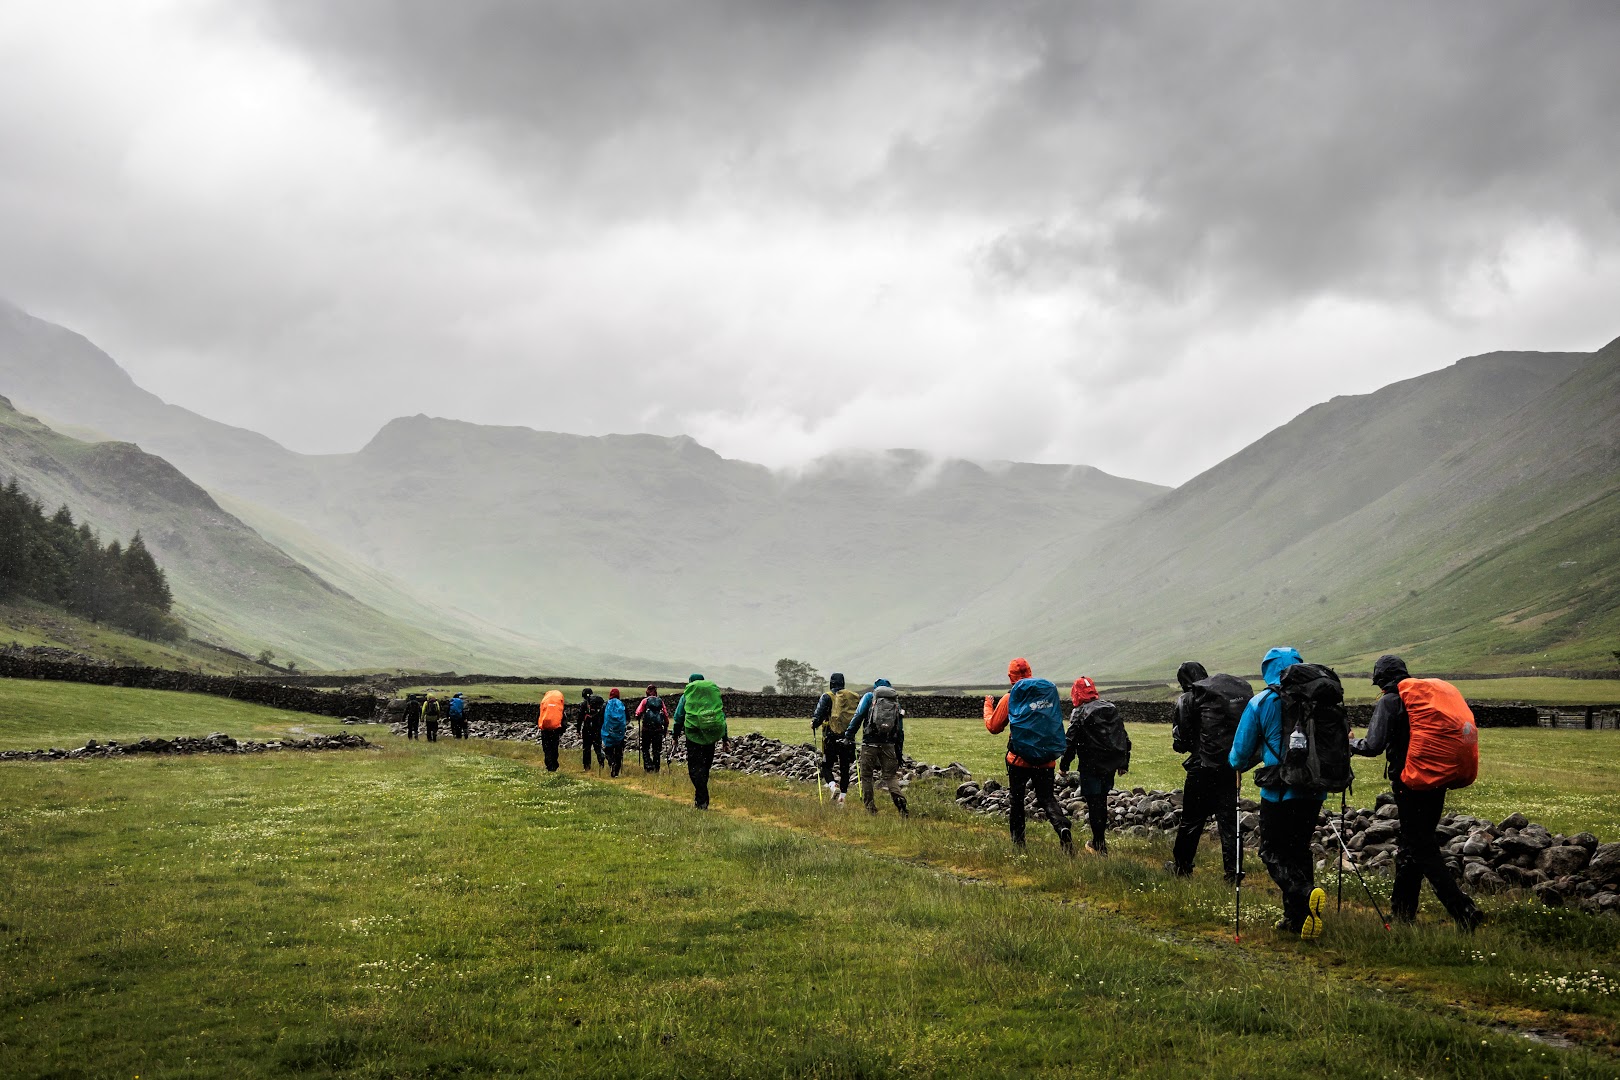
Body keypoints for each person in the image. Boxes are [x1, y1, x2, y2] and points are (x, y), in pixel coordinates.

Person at [1350, 655, 1484, 931]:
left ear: (1380, 679)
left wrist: (1350, 744)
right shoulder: (1421, 700)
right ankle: (1402, 914)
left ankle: (1463, 909)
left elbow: (1373, 745)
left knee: (1421, 848)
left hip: (1410, 784)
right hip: (1436, 779)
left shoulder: (1390, 700)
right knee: (1412, 846)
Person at [1229, 647, 1329, 940]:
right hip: (1313, 788)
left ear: (1268, 668)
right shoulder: (1317, 697)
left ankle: (1305, 893)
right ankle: (1298, 919)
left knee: (1271, 851)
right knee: (1298, 850)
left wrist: (1243, 760)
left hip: (1279, 791)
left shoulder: (1263, 700)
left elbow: (1238, 754)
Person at [1168, 662, 1248, 882]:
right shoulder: (1218, 696)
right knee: (1229, 821)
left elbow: (1182, 740)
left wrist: (1185, 743)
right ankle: (1234, 871)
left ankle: (1182, 866)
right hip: (1229, 767)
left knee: (1192, 819)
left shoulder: (1188, 698)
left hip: (1201, 767)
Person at [984, 658, 1072, 853]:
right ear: (1030, 672)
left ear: (1010, 676)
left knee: (1017, 800)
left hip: (1019, 759)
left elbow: (994, 727)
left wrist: (988, 706)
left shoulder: (1010, 697)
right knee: (1047, 798)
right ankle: (1062, 827)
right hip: (1046, 758)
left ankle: (1019, 844)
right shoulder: (1046, 694)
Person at [1059, 676, 1128, 855]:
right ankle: (1099, 842)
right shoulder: (1110, 708)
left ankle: (1099, 844)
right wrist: (1123, 762)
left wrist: (1064, 765)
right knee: (1101, 801)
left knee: (1095, 802)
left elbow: (1070, 741)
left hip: (1090, 764)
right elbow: (1123, 736)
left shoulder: (1079, 712)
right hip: (1109, 764)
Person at [844, 678, 909, 817]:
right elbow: (899, 729)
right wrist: (899, 751)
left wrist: (849, 735)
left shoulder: (869, 697)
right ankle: (900, 801)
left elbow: (858, 715)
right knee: (890, 776)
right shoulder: (895, 702)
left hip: (869, 743)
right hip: (889, 744)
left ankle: (870, 808)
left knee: (867, 776)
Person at [671, 674, 728, 808]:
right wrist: (725, 739)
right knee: (705, 767)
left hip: (693, 736)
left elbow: (679, 717)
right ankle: (701, 799)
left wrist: (675, 735)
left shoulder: (687, 696)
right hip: (710, 735)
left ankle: (702, 799)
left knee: (694, 769)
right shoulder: (711, 698)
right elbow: (721, 718)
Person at [811, 672, 859, 804]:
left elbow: (818, 716)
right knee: (845, 768)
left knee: (826, 766)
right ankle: (842, 799)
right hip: (847, 737)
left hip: (831, 736)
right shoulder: (849, 697)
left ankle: (833, 786)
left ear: (831, 682)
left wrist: (814, 724)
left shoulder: (827, 696)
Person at [636, 684, 671, 772]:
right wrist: (665, 726)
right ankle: (656, 768)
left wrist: (639, 717)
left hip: (646, 729)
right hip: (658, 729)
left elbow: (638, 712)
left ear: (647, 692)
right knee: (656, 750)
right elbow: (666, 715)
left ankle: (648, 766)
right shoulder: (660, 701)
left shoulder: (645, 701)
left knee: (645, 748)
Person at [602, 688, 628, 777]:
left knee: (608, 750)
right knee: (618, 752)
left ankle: (611, 762)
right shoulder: (622, 705)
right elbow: (627, 717)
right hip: (620, 732)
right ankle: (616, 771)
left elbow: (601, 717)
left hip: (608, 731)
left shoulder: (606, 705)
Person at [537, 689, 565, 772]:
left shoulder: (545, 707)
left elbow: (539, 717)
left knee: (547, 748)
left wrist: (540, 726)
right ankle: (554, 765)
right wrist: (561, 730)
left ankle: (549, 765)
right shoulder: (558, 708)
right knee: (554, 747)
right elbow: (563, 720)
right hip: (555, 730)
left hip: (545, 730)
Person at [578, 687, 606, 771]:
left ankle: (587, 767)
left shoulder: (584, 704)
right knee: (598, 747)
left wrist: (578, 730)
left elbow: (580, 718)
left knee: (586, 748)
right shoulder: (600, 704)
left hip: (587, 729)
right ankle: (601, 764)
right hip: (597, 729)